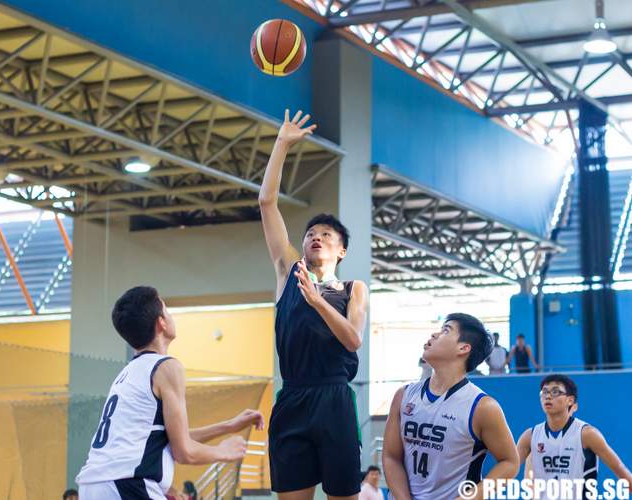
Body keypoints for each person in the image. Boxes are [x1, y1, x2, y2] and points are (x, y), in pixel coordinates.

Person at [259, 109, 370, 499]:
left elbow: (353, 340)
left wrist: (319, 302)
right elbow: (267, 202)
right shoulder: (288, 273)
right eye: (309, 234)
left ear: (341, 250)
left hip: (334, 397)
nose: (315, 238)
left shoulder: (354, 289)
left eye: (325, 234)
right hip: (292, 396)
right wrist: (282, 143)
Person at [75, 286, 264, 500]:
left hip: (94, 486)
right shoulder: (167, 367)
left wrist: (228, 426)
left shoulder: (128, 373)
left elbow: (168, 439)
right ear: (161, 322)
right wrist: (224, 451)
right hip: (127, 483)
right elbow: (183, 451)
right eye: (167, 310)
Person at [383, 313, 520, 500]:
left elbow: (510, 462)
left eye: (445, 330)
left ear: (463, 348)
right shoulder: (403, 395)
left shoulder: (482, 407)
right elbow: (391, 457)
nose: (434, 334)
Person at [516, 374, 632, 498]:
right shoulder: (530, 436)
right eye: (544, 392)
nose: (548, 396)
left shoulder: (587, 434)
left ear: (570, 400)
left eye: (555, 392)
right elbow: (508, 467)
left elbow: (620, 470)